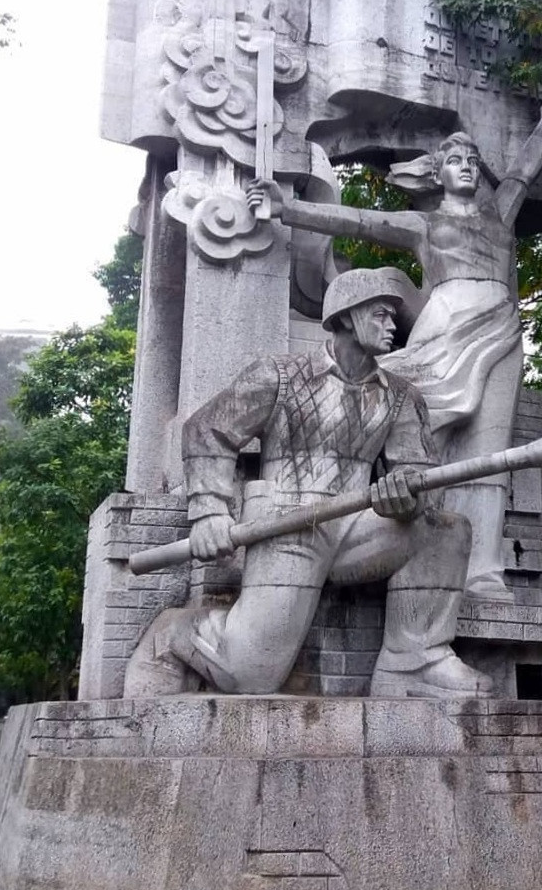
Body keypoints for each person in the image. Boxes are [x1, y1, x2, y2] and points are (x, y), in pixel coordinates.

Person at [247, 97, 542, 598]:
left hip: (501, 330)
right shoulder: (425, 225)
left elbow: (522, 176)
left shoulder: (499, 215)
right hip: (443, 330)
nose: (465, 169)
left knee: (492, 451)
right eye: (453, 163)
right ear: (436, 175)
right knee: (420, 436)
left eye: (470, 162)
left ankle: (483, 570)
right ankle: (409, 543)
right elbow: (357, 221)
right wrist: (287, 208)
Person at [124, 268, 491, 700]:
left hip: (357, 524)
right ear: (348, 316)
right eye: (381, 315)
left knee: (445, 531)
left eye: (393, 317)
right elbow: (207, 431)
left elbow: (418, 475)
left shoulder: (401, 396)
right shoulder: (278, 374)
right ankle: (171, 636)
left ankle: (414, 662)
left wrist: (405, 498)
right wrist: (209, 512)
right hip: (287, 523)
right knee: (250, 677)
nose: (394, 326)